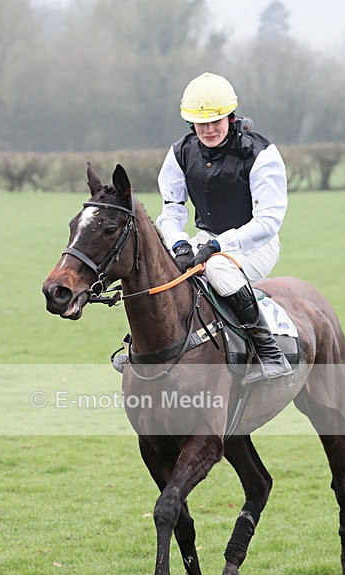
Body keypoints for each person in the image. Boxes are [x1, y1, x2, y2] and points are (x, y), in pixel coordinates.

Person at [112, 72, 292, 382]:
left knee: (219, 270)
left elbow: (268, 221)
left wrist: (220, 246)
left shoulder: (262, 155)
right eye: (200, 123)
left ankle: (268, 351)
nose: (208, 130)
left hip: (256, 244)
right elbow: (171, 211)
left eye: (216, 121)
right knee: (164, 268)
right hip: (207, 239)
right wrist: (180, 244)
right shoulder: (180, 152)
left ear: (230, 117)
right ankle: (141, 347)